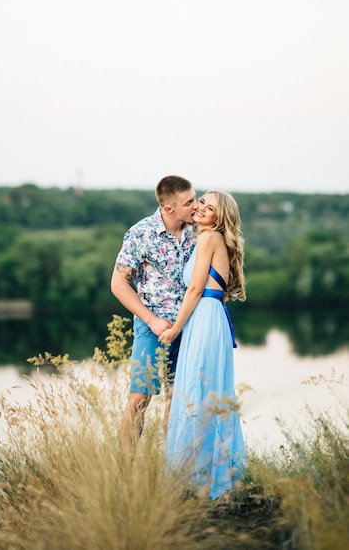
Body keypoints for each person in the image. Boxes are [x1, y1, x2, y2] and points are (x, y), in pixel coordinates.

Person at [158, 190, 246, 499]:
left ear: (219, 218)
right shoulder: (207, 239)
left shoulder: (209, 239)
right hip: (206, 318)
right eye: (201, 204)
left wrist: (175, 329)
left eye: (209, 208)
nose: (200, 209)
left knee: (199, 389)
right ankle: (201, 473)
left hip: (205, 316)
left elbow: (195, 287)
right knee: (205, 390)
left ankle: (203, 479)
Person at [111, 175, 197, 453]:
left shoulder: (198, 230)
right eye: (189, 202)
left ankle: (174, 469)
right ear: (169, 208)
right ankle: (125, 471)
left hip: (190, 325)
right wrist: (152, 320)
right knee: (140, 398)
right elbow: (117, 284)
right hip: (152, 326)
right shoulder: (141, 233)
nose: (196, 206)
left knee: (179, 398)